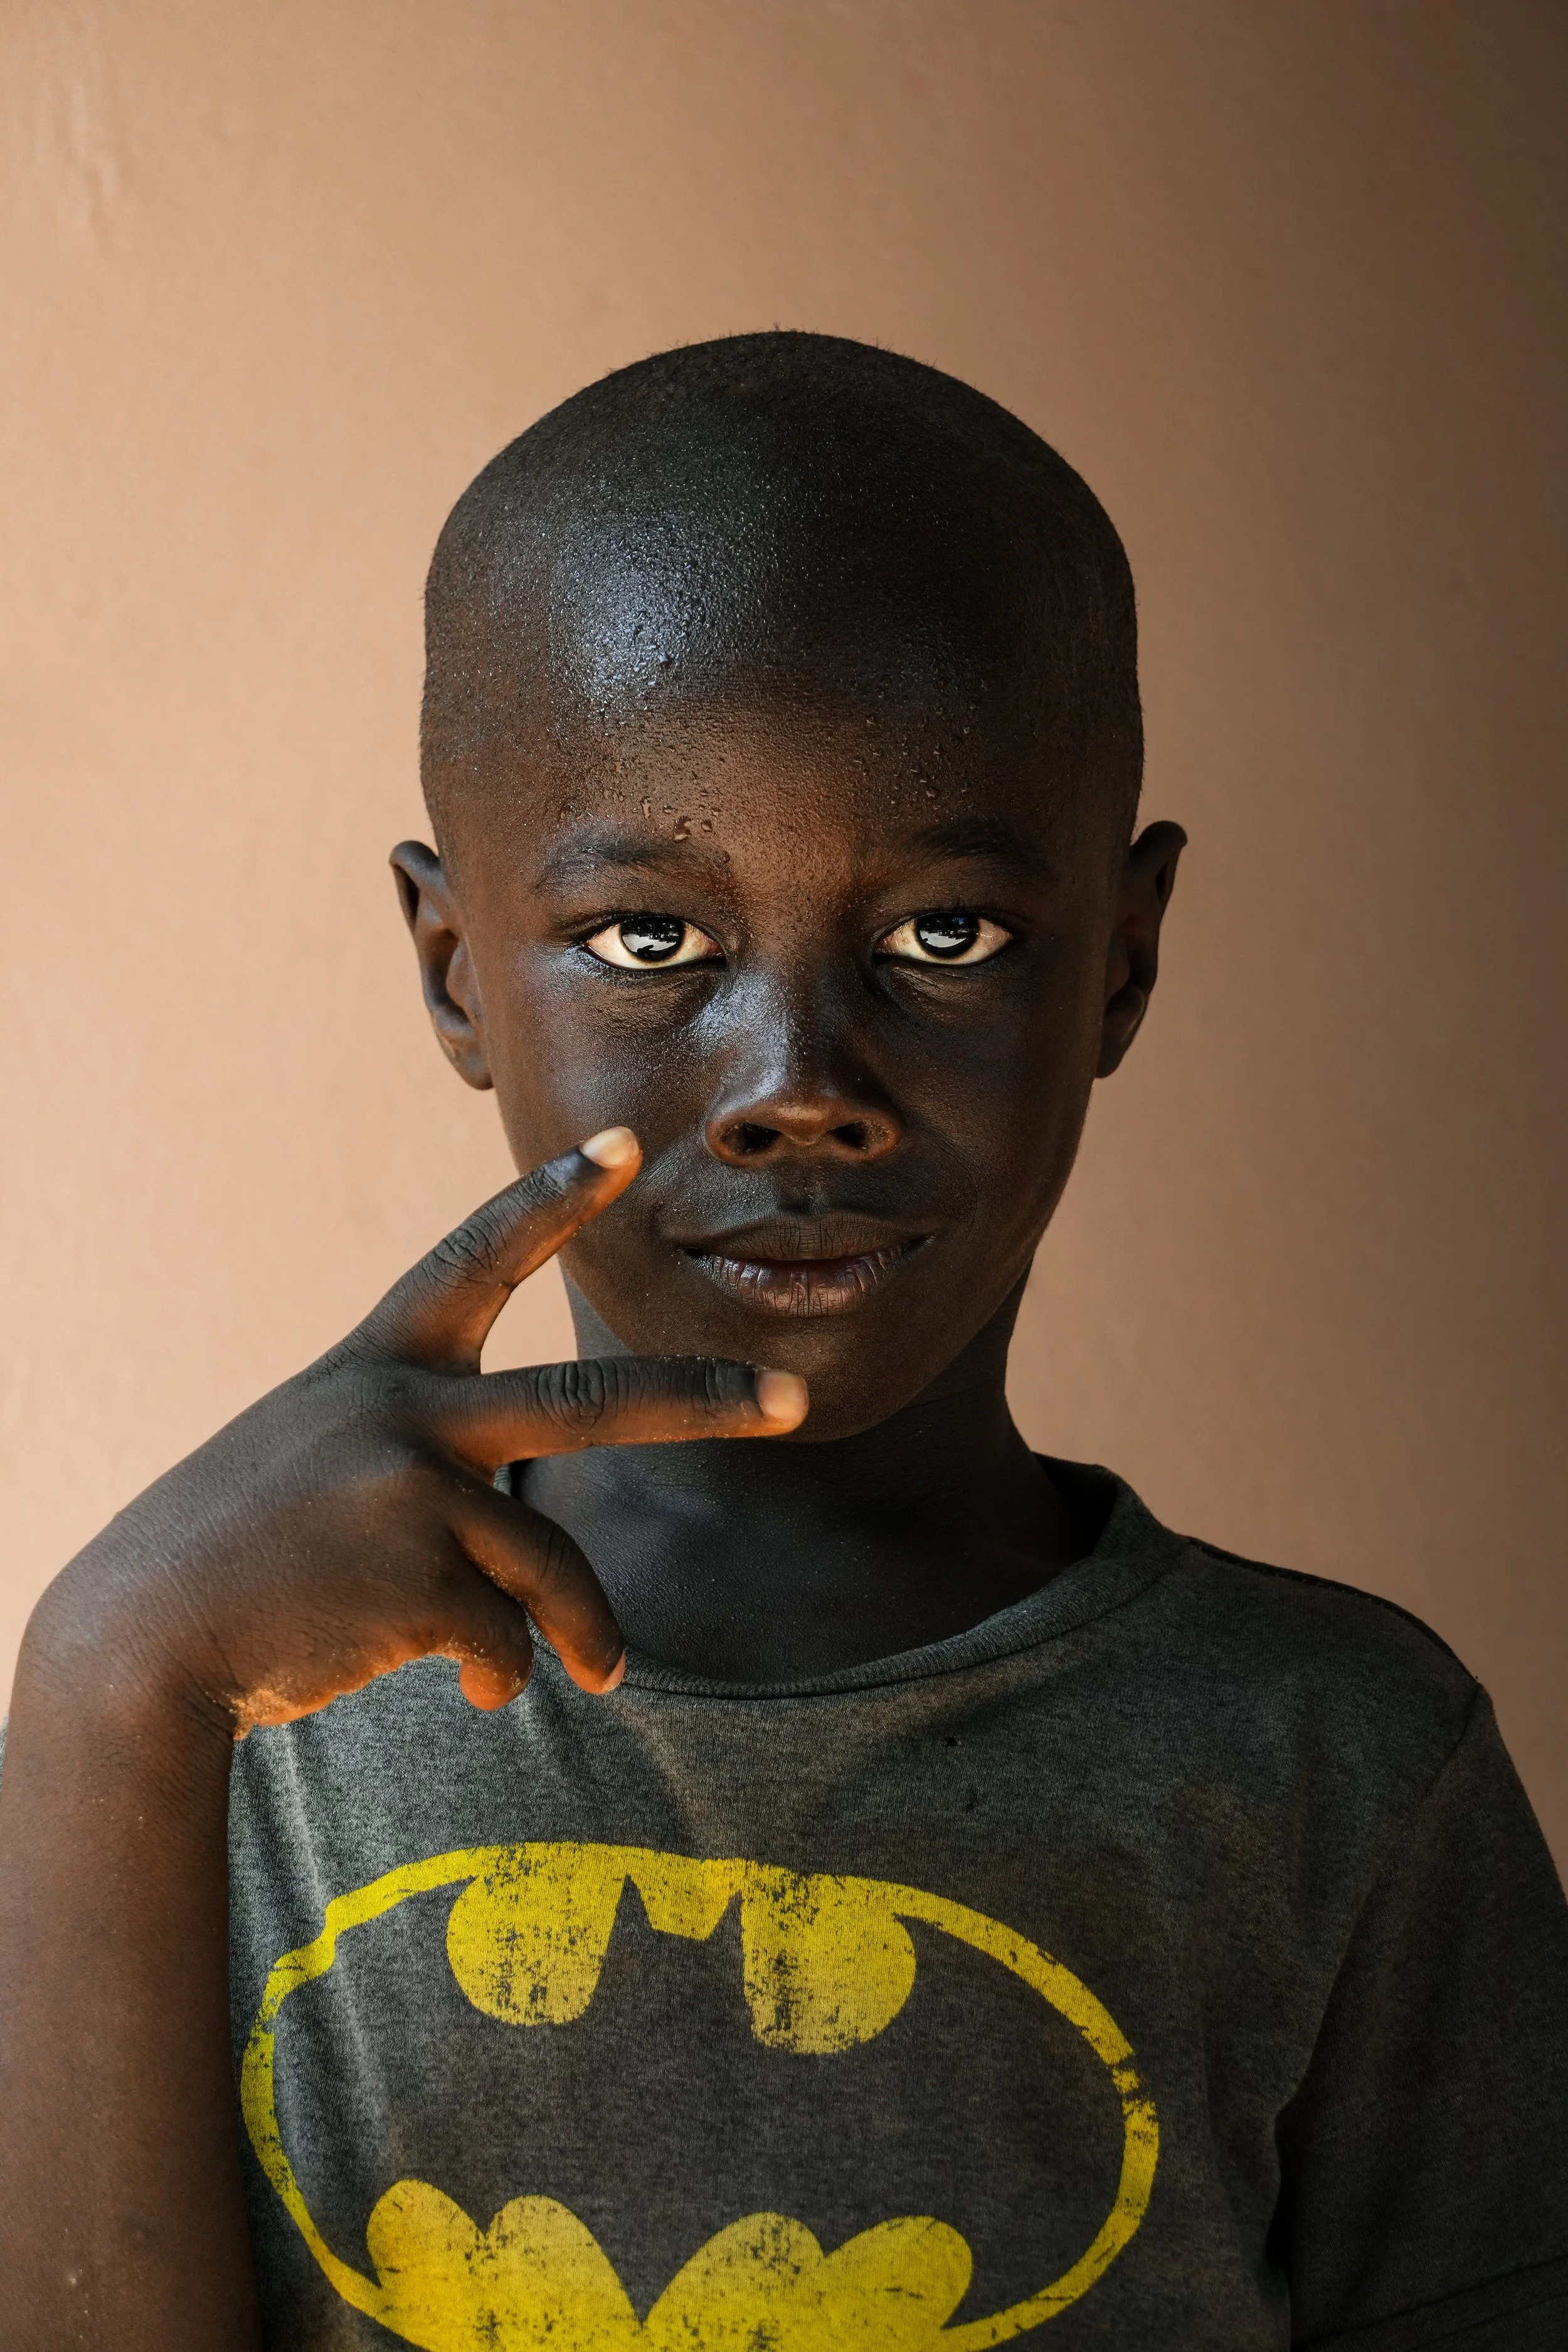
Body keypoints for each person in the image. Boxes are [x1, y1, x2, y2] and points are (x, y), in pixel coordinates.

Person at [1, 332, 1564, 2352]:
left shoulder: (1332, 1761)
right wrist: (101, 1667)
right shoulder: (215, 1729)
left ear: (1126, 951)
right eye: (651, 941)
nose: (795, 1086)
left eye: (944, 935)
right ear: (457, 971)